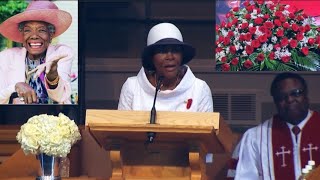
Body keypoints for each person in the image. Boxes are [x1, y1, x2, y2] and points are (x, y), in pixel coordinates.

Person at [233, 72, 320, 180]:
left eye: (296, 93)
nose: (289, 100)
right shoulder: (255, 138)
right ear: (275, 102)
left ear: (306, 96)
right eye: (282, 97)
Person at [118, 22, 213, 112]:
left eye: (175, 50)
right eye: (163, 51)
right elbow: (121, 127)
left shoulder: (199, 89)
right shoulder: (132, 87)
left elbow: (209, 127)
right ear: (152, 57)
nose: (170, 57)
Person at [0, 1, 74, 104]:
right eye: (27, 30)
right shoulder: (6, 57)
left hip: (54, 118)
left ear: (51, 34)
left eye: (41, 30)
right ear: (22, 35)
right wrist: (16, 86)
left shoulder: (61, 53)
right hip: (16, 118)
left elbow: (62, 98)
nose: (34, 36)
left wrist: (52, 77)